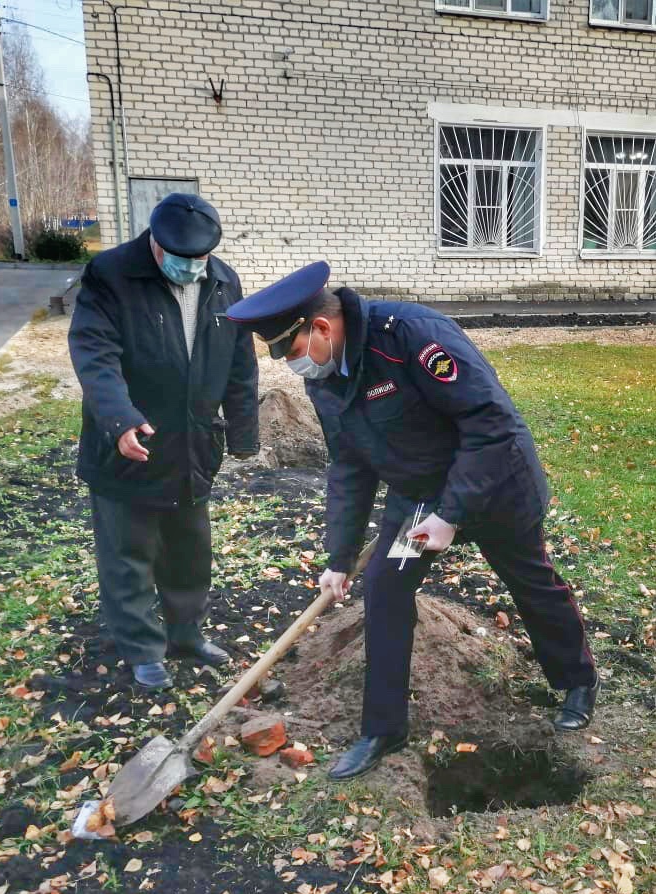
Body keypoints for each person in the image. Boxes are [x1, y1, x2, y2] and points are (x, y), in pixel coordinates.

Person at [227, 262, 598, 780]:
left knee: (530, 580)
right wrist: (338, 558)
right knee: (384, 588)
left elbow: (491, 423)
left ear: (321, 328)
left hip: (493, 484)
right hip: (420, 497)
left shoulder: (411, 337)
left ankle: (577, 679)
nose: (293, 367)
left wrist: (453, 514)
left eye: (290, 352)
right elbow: (349, 467)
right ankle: (383, 729)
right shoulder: (327, 377)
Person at [68, 194, 259, 691]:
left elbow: (240, 361)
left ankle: (186, 634)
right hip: (131, 445)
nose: (192, 268)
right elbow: (95, 353)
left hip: (194, 445)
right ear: (155, 243)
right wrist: (119, 419)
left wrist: (242, 431)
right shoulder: (111, 274)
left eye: (201, 259)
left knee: (189, 549)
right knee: (128, 553)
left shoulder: (222, 280)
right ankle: (141, 649)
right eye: (182, 258)